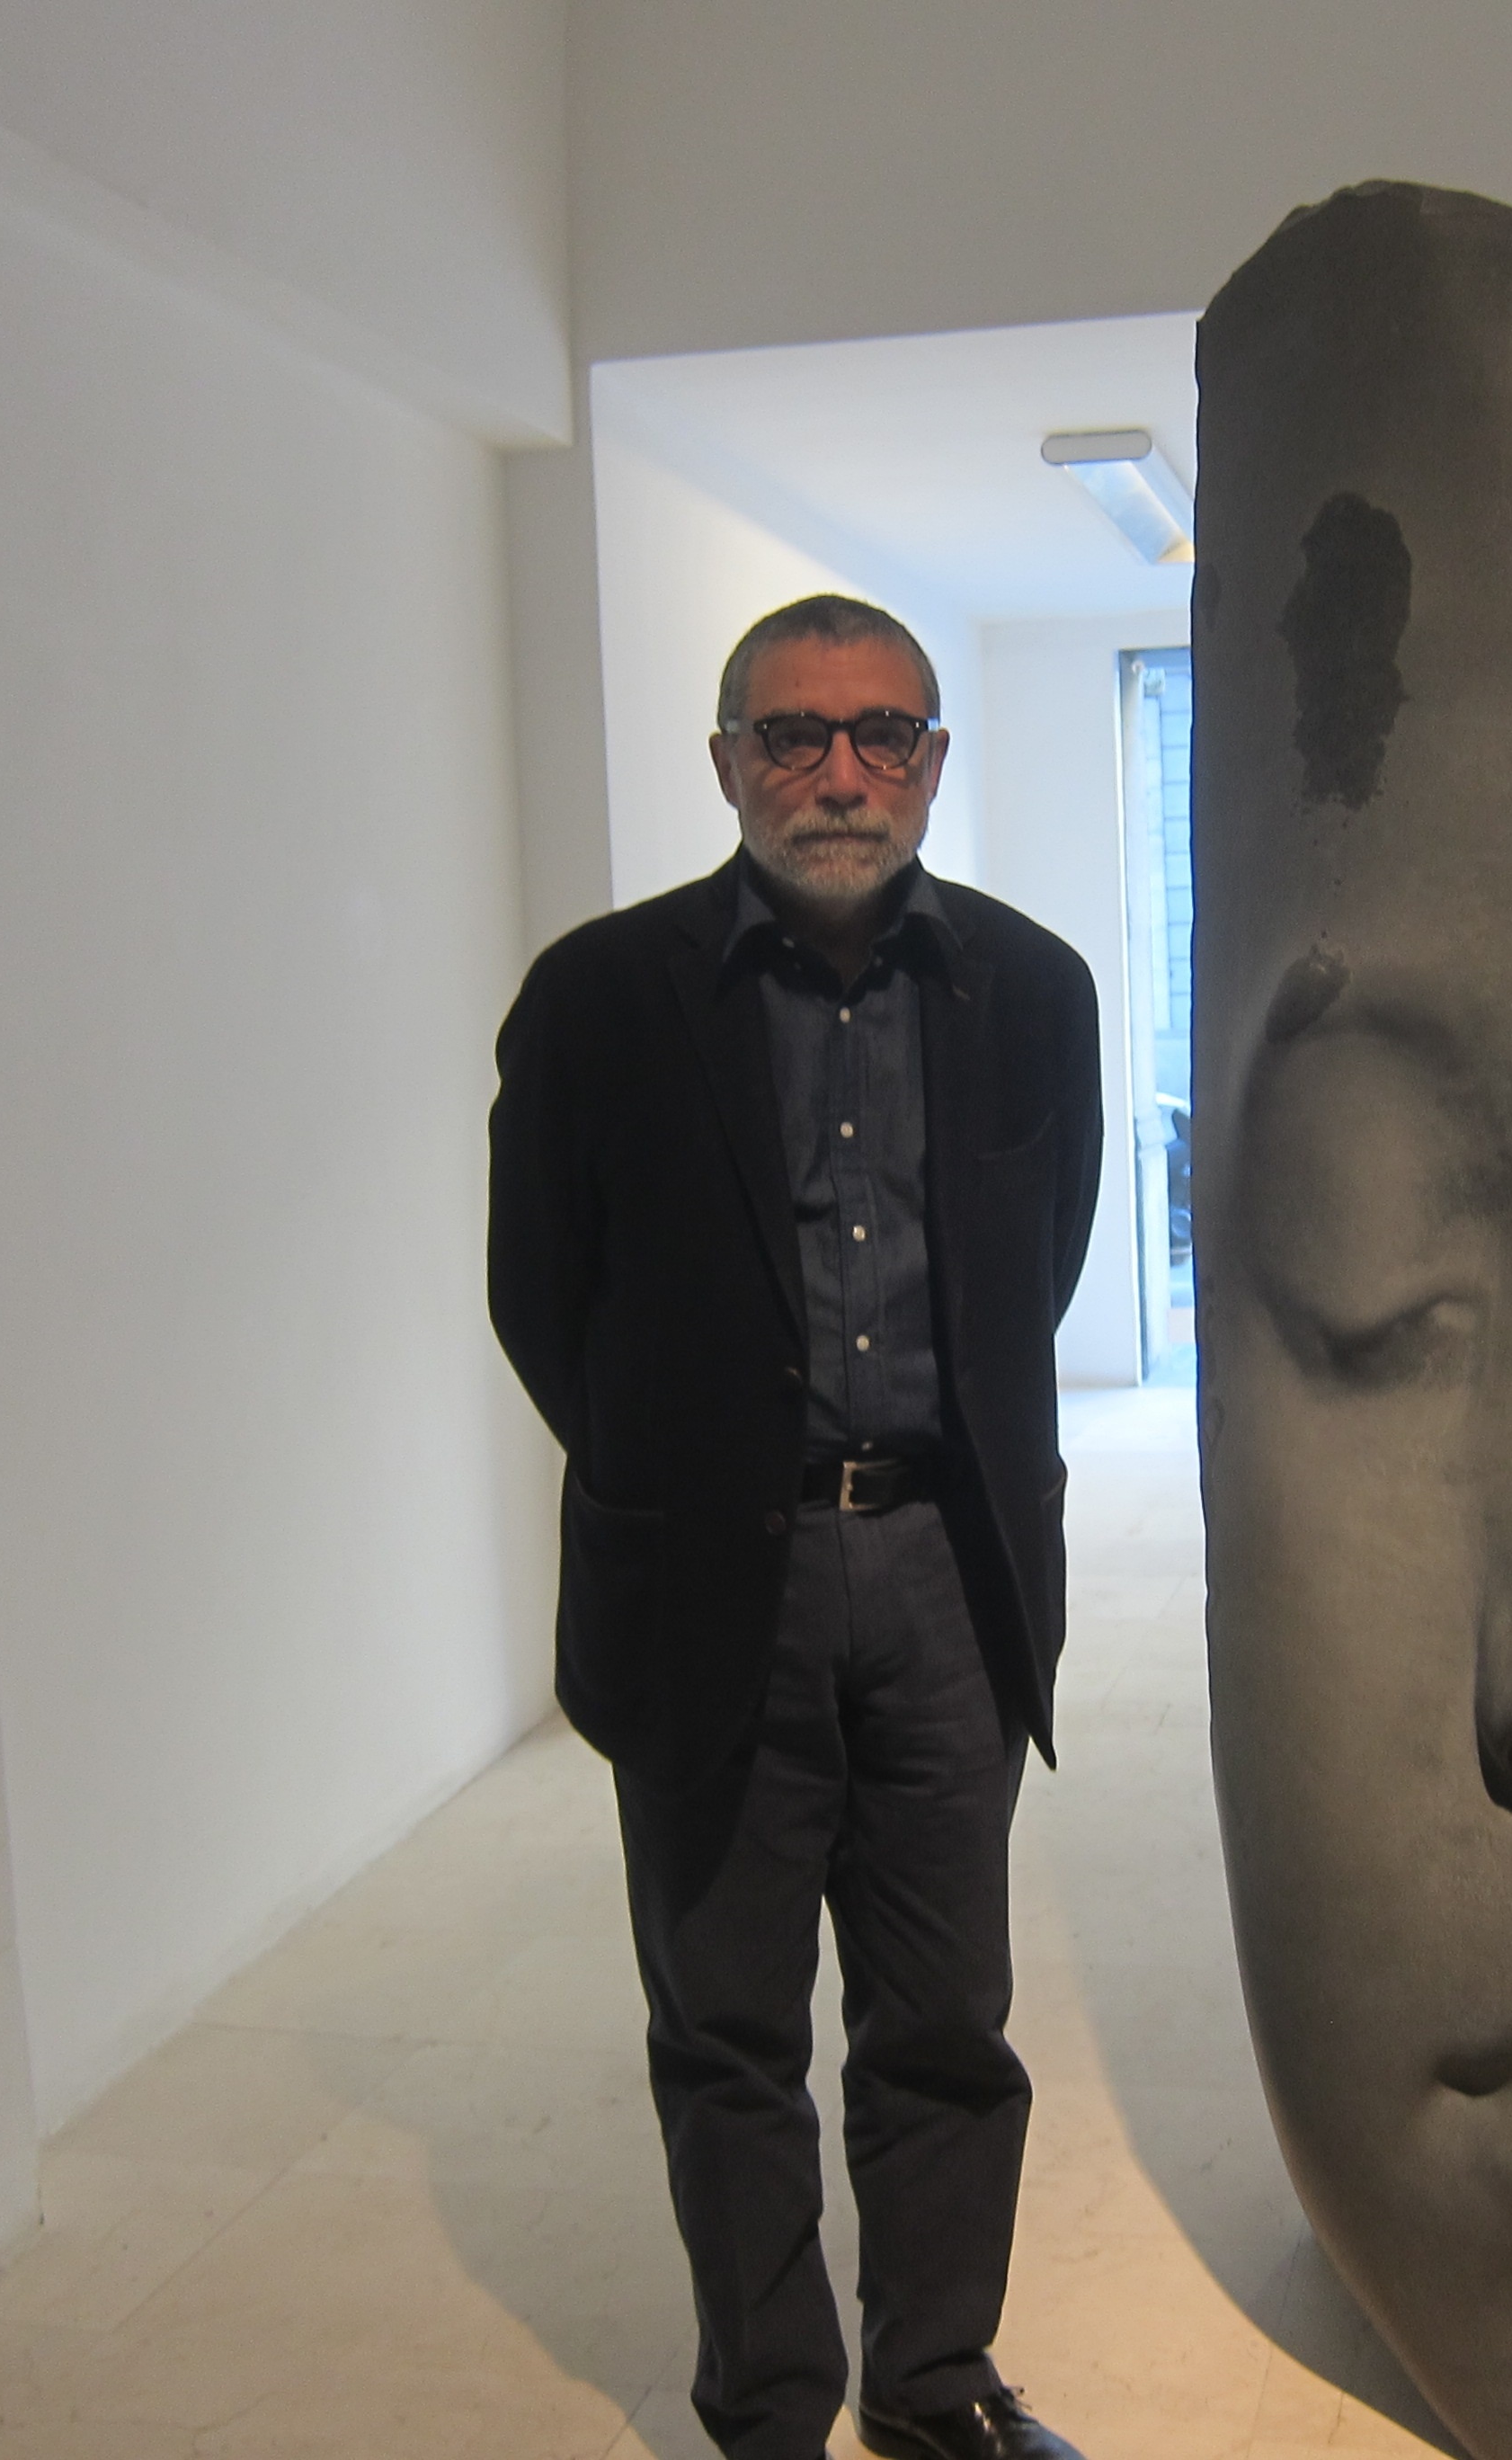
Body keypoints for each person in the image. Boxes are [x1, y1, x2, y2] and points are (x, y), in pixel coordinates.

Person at [488, 594, 1102, 2460]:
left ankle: (935, 2382)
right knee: (729, 2034)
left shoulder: (1033, 990)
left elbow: (1041, 1267)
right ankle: (769, 2407)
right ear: (727, 763)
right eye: (794, 734)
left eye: (881, 733)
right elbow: (542, 1297)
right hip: (708, 1588)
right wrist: (692, 1479)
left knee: (946, 2024)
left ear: (933, 759)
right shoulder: (601, 1000)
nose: (841, 772)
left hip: (946, 1577)